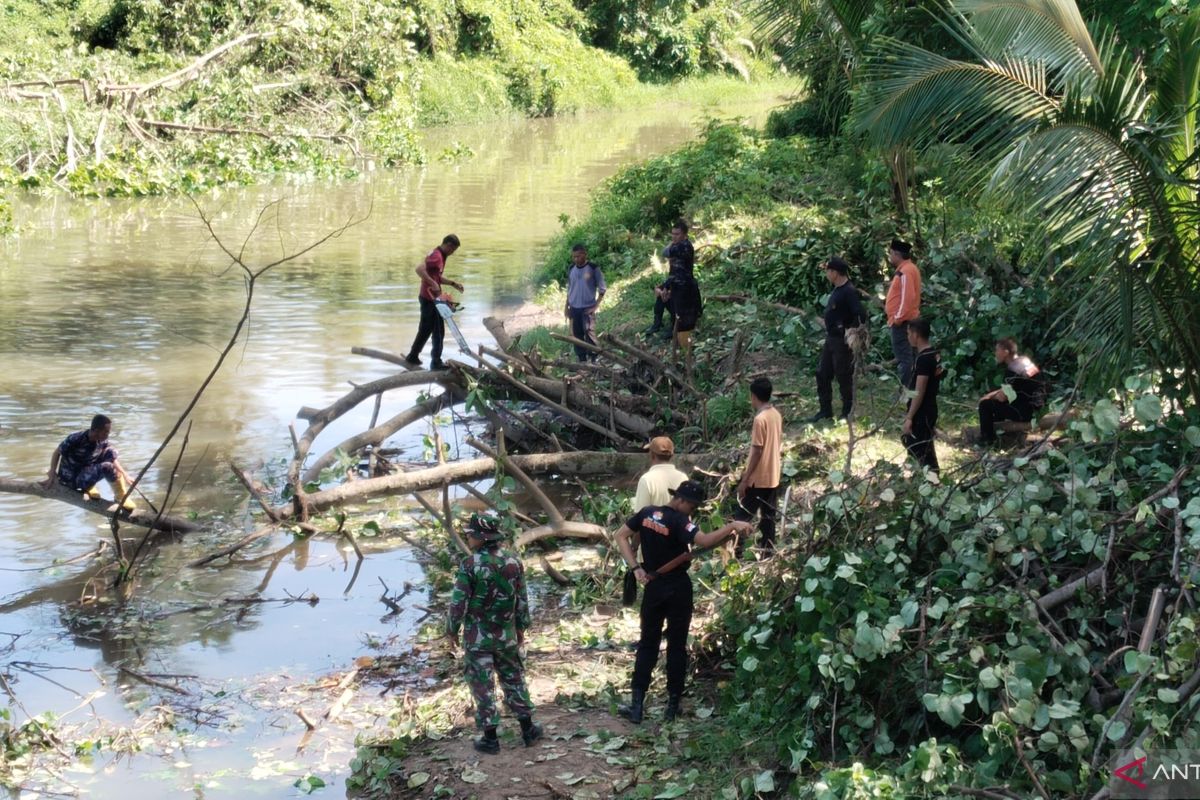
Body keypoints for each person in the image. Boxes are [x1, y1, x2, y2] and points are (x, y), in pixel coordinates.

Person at [615, 480, 752, 723]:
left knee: (648, 644)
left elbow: (621, 535)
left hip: (653, 586)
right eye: (692, 506)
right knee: (676, 646)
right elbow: (705, 541)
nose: (693, 511)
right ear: (681, 501)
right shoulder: (680, 521)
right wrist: (732, 525)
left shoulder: (646, 514)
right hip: (678, 587)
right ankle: (672, 705)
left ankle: (637, 706)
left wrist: (636, 568)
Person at [447, 513, 542, 754]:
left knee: (482, 685)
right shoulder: (513, 562)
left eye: (469, 534)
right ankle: (529, 729)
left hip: (477, 638)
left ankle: (490, 739)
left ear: (480, 537)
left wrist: (451, 630)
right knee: (514, 678)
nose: (467, 537)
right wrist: (521, 628)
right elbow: (522, 600)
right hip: (506, 635)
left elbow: (458, 603)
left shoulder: (470, 565)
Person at [808, 256, 867, 423]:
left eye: (828, 271)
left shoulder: (849, 291)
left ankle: (847, 411)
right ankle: (825, 410)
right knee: (822, 373)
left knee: (843, 375)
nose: (826, 274)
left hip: (842, 341)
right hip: (831, 339)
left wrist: (849, 331)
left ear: (835, 272)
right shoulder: (837, 289)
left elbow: (860, 314)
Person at [40, 414, 135, 510]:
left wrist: (125, 474)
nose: (107, 434)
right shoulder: (76, 439)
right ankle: (96, 488)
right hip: (72, 479)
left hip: (85, 473)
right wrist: (52, 472)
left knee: (109, 452)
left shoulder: (101, 441)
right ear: (96, 430)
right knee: (107, 466)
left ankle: (120, 496)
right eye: (105, 432)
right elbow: (57, 452)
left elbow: (112, 458)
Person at [735, 377, 783, 554]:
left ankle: (735, 554)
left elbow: (757, 451)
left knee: (741, 516)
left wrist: (745, 480)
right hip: (773, 476)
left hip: (758, 479)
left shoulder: (760, 419)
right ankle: (768, 553)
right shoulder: (776, 415)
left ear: (753, 396)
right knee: (768, 518)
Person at [405, 234, 463, 371]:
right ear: (448, 245)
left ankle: (413, 356)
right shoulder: (437, 256)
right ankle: (436, 363)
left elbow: (436, 276)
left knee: (425, 329)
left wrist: (452, 283)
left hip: (428, 298)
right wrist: (432, 283)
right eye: (453, 250)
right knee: (438, 331)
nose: (452, 253)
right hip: (430, 299)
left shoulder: (439, 255)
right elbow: (419, 269)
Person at [977, 338, 1045, 446]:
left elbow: (1003, 397)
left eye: (997, 350)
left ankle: (987, 440)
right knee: (994, 402)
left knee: (985, 405)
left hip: (1026, 413)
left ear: (1006, 352)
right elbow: (1012, 388)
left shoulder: (1012, 369)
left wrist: (986, 398)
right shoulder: (1025, 361)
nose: (995, 353)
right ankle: (1001, 433)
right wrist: (989, 395)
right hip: (1038, 409)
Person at [901, 318, 942, 472]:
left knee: (915, 443)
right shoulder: (934, 354)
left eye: (909, 333)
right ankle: (921, 475)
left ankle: (933, 477)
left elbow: (920, 390)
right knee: (922, 443)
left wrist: (910, 416)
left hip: (923, 410)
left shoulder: (924, 359)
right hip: (928, 407)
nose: (908, 337)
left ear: (916, 335)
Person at [644, 220, 695, 339]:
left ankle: (674, 328)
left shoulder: (685, 246)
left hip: (685, 284)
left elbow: (665, 252)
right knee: (660, 292)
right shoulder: (678, 245)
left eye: (677, 234)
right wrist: (665, 287)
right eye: (672, 234)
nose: (674, 237)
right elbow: (673, 272)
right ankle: (657, 324)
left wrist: (667, 289)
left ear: (685, 235)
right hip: (675, 280)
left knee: (673, 299)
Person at [884, 239, 921, 389]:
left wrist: (898, 318)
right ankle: (912, 389)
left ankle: (906, 391)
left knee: (904, 358)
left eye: (891, 254)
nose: (890, 257)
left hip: (903, 322)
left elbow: (908, 297)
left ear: (896, 254)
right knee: (910, 356)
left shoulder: (906, 271)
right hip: (908, 320)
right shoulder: (909, 268)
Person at [564, 243, 606, 362]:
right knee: (577, 334)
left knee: (589, 333)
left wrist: (595, 306)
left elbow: (602, 288)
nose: (576, 259)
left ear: (584, 254)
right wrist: (566, 306)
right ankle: (581, 359)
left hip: (587, 308)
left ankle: (594, 358)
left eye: (578, 256)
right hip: (574, 307)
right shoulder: (571, 268)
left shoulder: (593, 268)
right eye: (574, 257)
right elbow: (570, 289)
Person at [634, 436, 688, 511]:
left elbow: (640, 514)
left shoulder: (646, 480)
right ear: (672, 455)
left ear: (652, 455)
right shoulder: (683, 478)